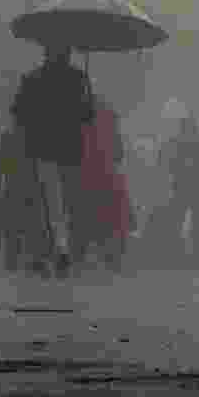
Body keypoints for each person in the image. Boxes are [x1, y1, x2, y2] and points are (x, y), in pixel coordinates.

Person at [10, 44, 96, 277]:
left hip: (41, 148)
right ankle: (61, 250)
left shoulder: (32, 79)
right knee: (65, 202)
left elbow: (18, 114)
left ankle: (47, 252)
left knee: (47, 202)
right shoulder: (79, 79)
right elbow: (88, 116)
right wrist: (88, 92)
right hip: (69, 150)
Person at [0, 118, 55, 276]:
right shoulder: (31, 137)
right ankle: (23, 264)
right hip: (25, 187)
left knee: (19, 229)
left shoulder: (14, 137)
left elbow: (0, 163)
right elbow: (1, 163)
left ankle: (20, 264)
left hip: (22, 187)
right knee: (23, 228)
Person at [79, 95, 133, 274]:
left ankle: (84, 261)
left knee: (84, 219)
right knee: (115, 218)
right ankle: (113, 261)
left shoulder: (81, 122)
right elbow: (119, 153)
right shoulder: (109, 121)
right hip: (108, 178)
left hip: (86, 178)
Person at [158, 114, 199, 269]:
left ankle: (174, 258)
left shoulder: (175, 141)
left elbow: (166, 163)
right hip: (196, 185)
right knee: (198, 226)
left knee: (176, 224)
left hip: (181, 185)